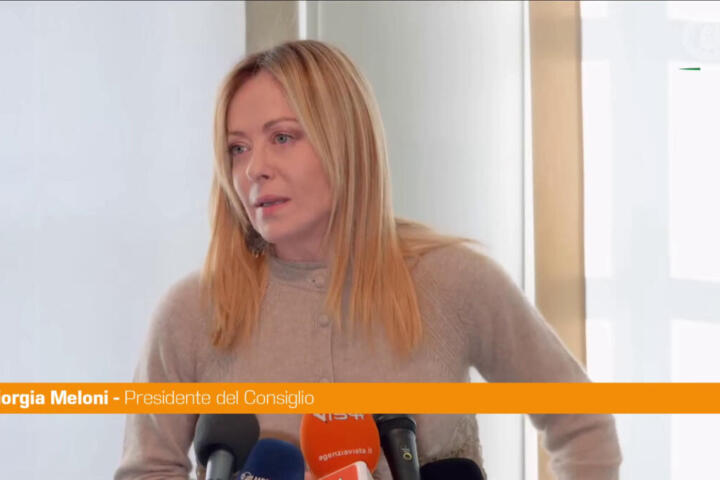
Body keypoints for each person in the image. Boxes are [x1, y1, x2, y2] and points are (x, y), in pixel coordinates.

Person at [114, 40, 621, 480]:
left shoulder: (455, 281)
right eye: (237, 149)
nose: (254, 170)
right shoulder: (191, 312)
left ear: (346, 139)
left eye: (282, 138)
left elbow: (581, 421)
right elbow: (147, 470)